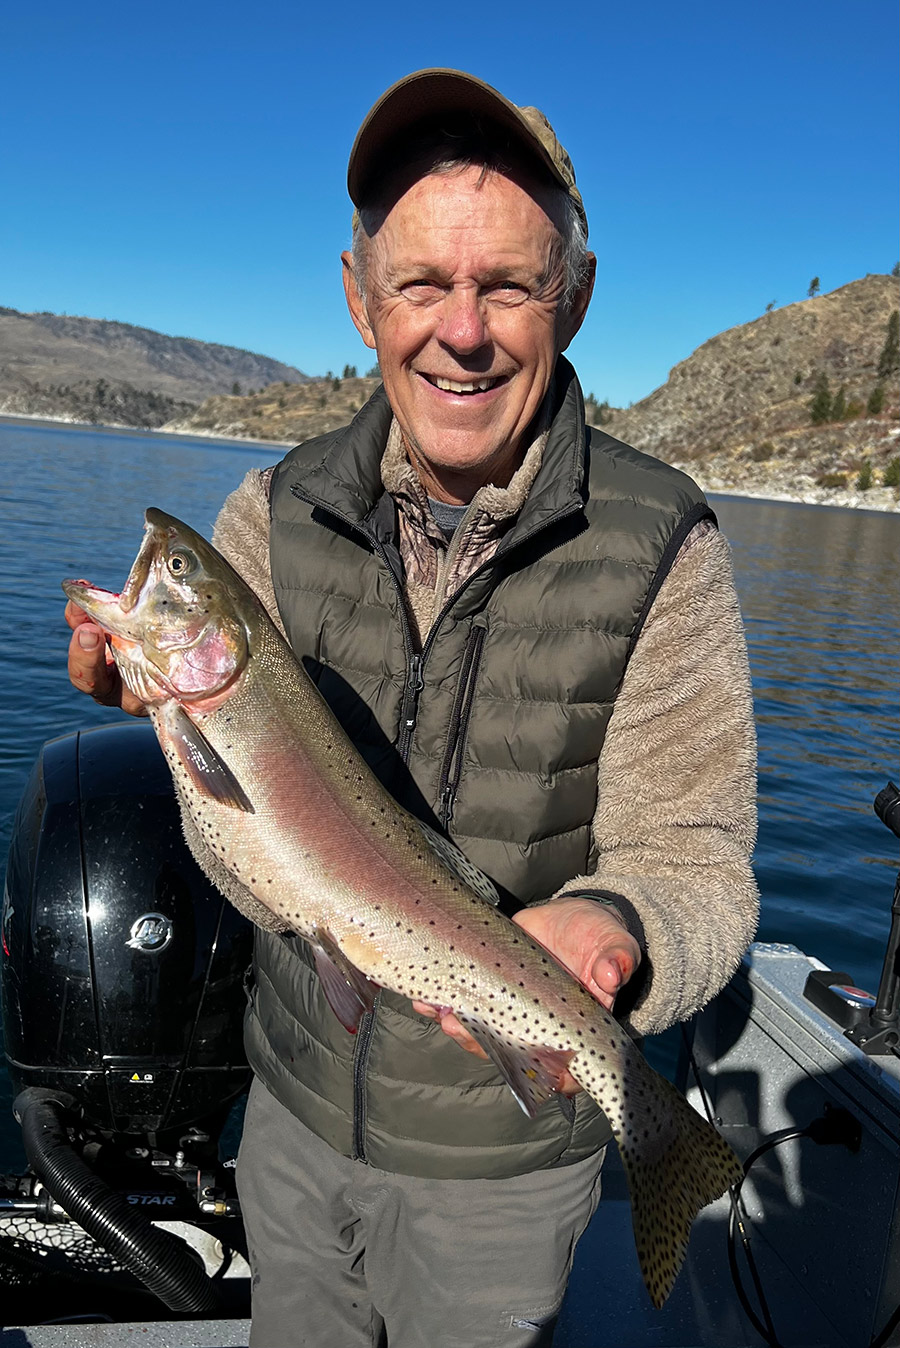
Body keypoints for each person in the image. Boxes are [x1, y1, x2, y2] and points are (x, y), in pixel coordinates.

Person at [65, 69, 759, 1348]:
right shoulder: (263, 518)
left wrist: (617, 921)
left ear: (577, 301)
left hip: (510, 1164)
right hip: (290, 1117)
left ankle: (665, 1147)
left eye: (507, 285)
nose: (463, 329)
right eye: (422, 285)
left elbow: (704, 863)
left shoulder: (669, 545)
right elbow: (246, 839)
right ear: (359, 297)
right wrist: (166, 718)